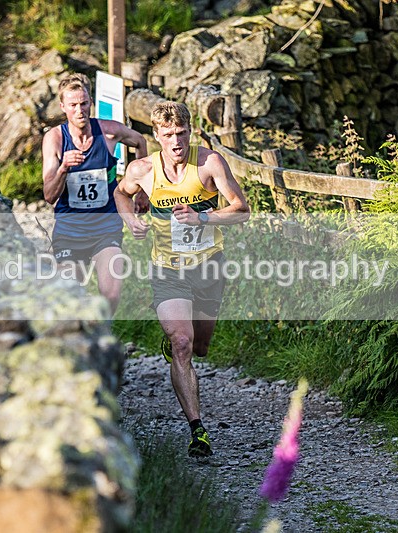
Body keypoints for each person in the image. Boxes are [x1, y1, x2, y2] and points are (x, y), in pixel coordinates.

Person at [113, 101, 250, 457]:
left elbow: (241, 209)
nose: (176, 141)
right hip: (168, 270)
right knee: (183, 343)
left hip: (208, 267)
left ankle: (178, 346)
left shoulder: (209, 163)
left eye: (182, 133)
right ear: (156, 136)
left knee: (201, 347)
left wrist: (203, 219)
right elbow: (120, 193)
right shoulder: (142, 169)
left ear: (190, 131)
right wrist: (130, 220)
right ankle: (197, 430)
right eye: (169, 135)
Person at [42, 73, 148, 315]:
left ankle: (103, 339)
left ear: (91, 102)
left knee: (111, 295)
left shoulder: (109, 132)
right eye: (73, 105)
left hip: (105, 228)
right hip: (70, 231)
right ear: (63, 107)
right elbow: (49, 195)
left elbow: (141, 142)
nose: (79, 111)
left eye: (84, 103)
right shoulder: (55, 139)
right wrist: (63, 168)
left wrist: (142, 190)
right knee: (70, 294)